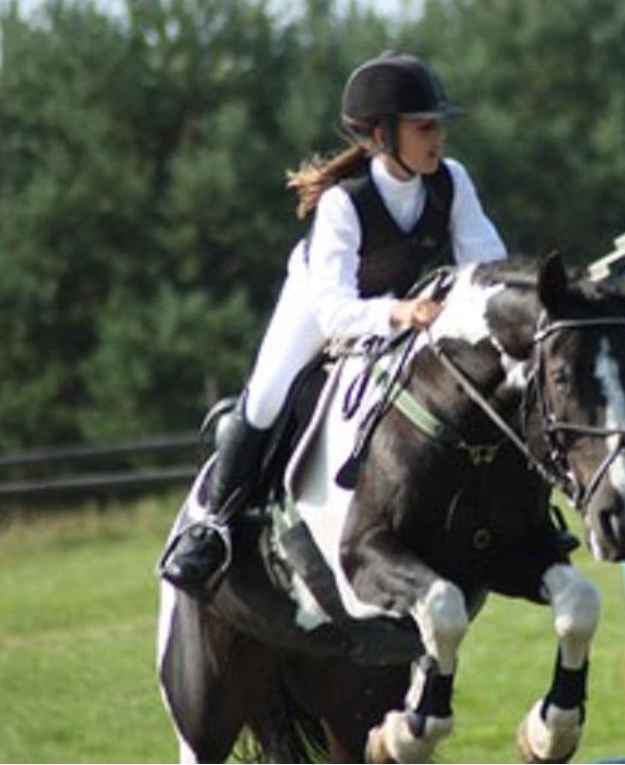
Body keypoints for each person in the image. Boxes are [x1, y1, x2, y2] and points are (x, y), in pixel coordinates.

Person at [159, 52, 508, 600]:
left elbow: (485, 264)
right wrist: (398, 311)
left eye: (438, 125)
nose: (437, 138)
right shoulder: (344, 205)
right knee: (268, 396)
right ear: (380, 135)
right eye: (423, 127)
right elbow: (334, 309)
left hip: (402, 310)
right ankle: (213, 525)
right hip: (321, 306)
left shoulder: (451, 182)